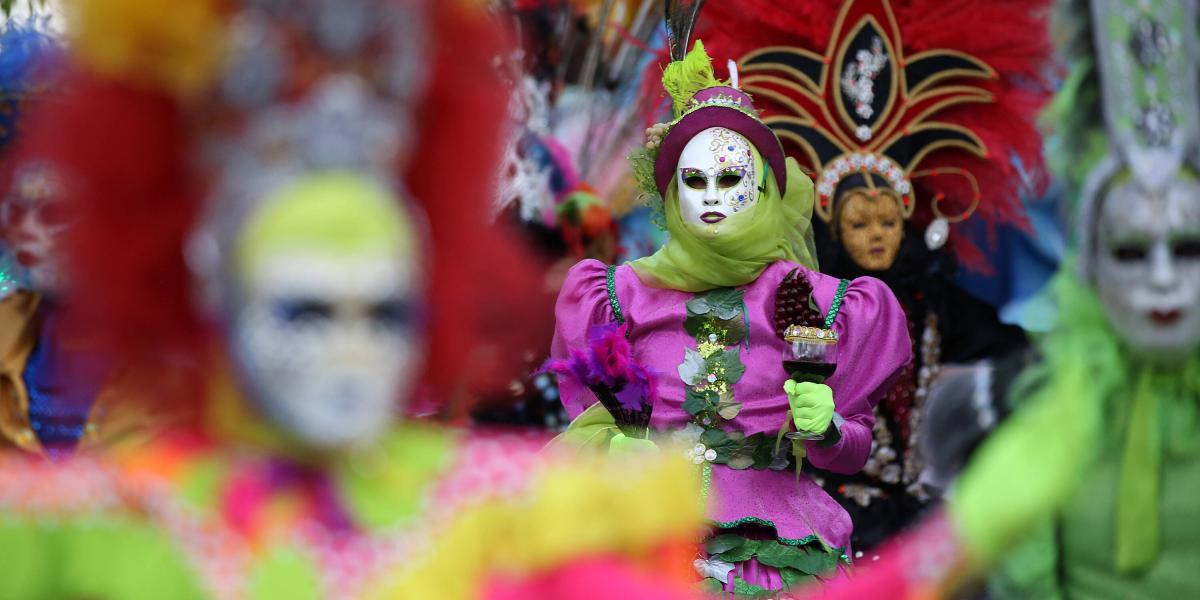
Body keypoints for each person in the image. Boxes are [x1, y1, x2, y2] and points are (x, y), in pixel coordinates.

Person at [0, 2, 702, 598]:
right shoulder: (109, 523)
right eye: (306, 311)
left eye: (386, 313)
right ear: (218, 287)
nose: (351, 351)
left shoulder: (511, 514)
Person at [551, 29, 911, 594]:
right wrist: (612, 449)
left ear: (766, 188)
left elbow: (850, 452)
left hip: (772, 555)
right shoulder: (617, 295)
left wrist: (830, 426)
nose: (713, 196)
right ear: (670, 193)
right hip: (647, 539)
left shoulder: (824, 303)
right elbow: (588, 421)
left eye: (730, 178)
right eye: (695, 181)